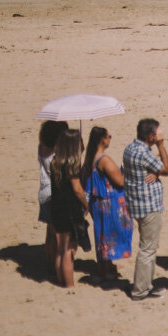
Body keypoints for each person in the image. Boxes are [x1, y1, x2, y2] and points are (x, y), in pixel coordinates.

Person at [121, 119, 168, 301]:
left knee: (147, 246)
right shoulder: (144, 153)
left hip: (136, 203)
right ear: (151, 136)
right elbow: (167, 169)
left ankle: (146, 284)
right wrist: (161, 146)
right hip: (148, 205)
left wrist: (155, 172)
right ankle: (140, 290)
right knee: (148, 249)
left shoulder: (129, 149)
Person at [83, 125, 133, 281]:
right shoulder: (104, 160)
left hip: (98, 202)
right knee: (111, 232)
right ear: (102, 140)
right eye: (108, 136)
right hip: (108, 202)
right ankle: (105, 269)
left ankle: (105, 265)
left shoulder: (89, 159)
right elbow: (120, 180)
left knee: (102, 233)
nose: (110, 139)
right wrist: (127, 172)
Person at [49, 128, 89, 288]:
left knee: (61, 248)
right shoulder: (72, 165)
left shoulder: (55, 162)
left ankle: (60, 279)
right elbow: (77, 190)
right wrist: (86, 205)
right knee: (68, 249)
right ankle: (69, 284)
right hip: (69, 209)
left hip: (57, 207)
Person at [36, 120, 67, 279]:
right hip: (54, 193)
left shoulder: (42, 149)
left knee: (49, 232)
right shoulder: (57, 154)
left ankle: (48, 264)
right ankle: (56, 268)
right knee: (58, 236)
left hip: (43, 191)